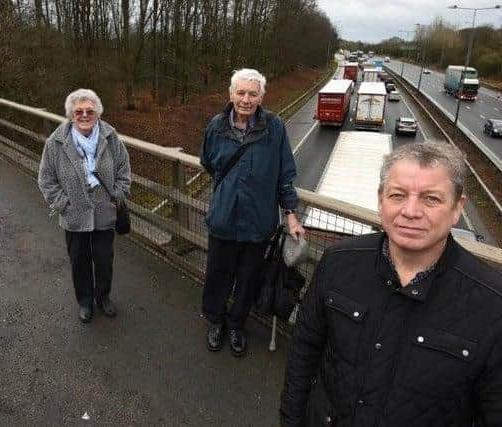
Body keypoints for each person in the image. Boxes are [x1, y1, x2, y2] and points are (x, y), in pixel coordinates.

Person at [280, 142, 502, 426]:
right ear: (380, 199)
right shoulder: (337, 263)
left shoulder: (492, 304)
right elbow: (303, 353)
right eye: (398, 195)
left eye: (430, 199)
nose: (410, 211)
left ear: (458, 207)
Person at [200, 68, 305, 357]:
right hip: (223, 218)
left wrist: (291, 214)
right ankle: (216, 321)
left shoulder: (275, 127)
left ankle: (236, 325)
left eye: (253, 93)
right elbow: (207, 161)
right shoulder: (217, 126)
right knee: (217, 275)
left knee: (248, 278)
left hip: (258, 223)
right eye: (241, 92)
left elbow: (285, 174)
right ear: (231, 94)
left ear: (261, 97)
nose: (246, 99)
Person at [38, 89, 131, 323]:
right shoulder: (56, 142)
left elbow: (124, 169)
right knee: (79, 261)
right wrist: (62, 203)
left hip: (104, 211)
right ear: (71, 115)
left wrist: (117, 196)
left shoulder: (111, 138)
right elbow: (45, 178)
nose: (84, 115)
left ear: (97, 113)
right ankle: (85, 301)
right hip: (74, 214)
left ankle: (103, 297)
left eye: (90, 111)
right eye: (78, 111)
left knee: (103, 259)